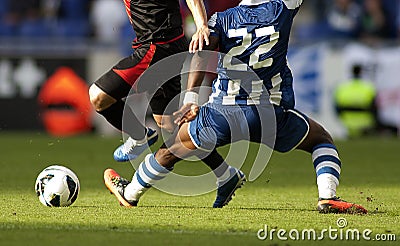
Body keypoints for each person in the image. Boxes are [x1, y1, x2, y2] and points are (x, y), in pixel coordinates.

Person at [104, 0, 367, 214]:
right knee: (321, 140)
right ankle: (327, 198)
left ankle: (130, 193)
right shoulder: (282, 8)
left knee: (171, 149)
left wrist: (191, 99)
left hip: (222, 114)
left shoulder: (221, 20)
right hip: (269, 116)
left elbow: (200, 54)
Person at [89, 0, 211, 162]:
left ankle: (139, 137)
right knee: (171, 125)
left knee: (98, 96)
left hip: (155, 48)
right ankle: (225, 173)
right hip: (167, 46)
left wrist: (201, 25)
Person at [334, 64, 377, 137]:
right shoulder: (369, 87)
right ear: (361, 72)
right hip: (365, 123)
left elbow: (337, 107)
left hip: (347, 122)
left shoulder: (342, 87)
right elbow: (375, 108)